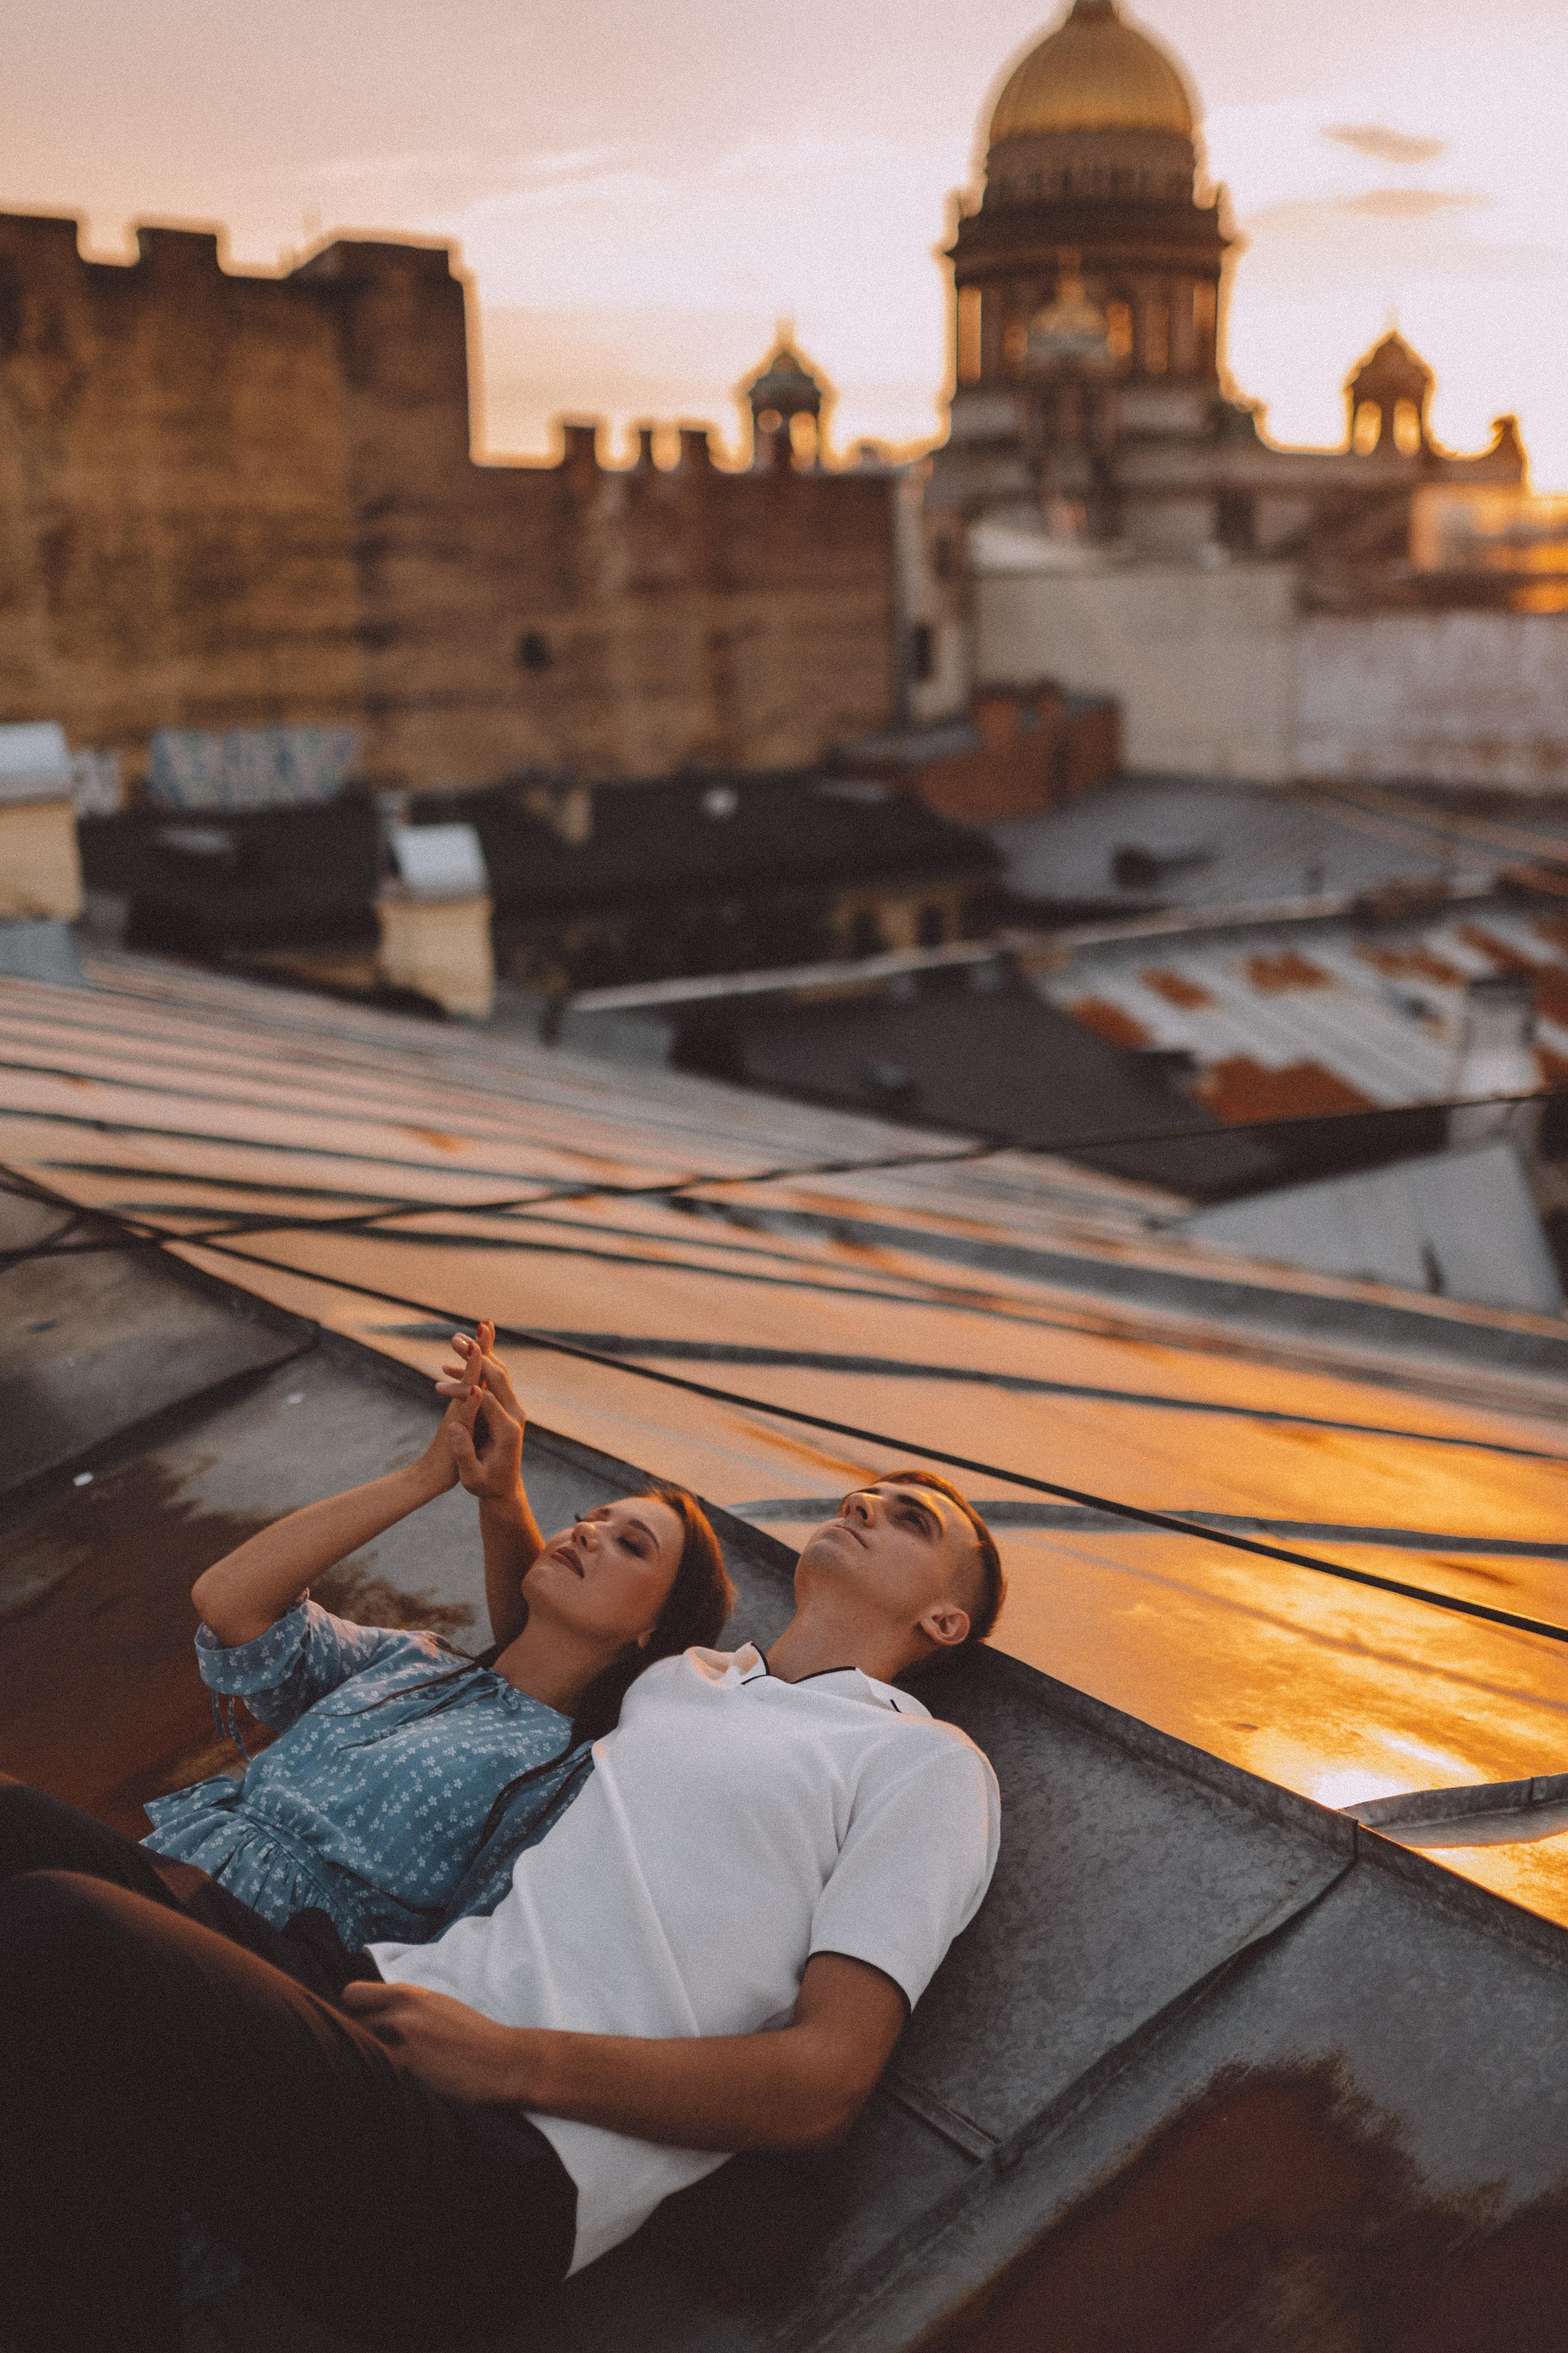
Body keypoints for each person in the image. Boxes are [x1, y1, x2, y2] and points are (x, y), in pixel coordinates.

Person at [0, 1448, 1003, 2353]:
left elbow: (826, 2080)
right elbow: (546, 1638)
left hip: (501, 2160)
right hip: (367, 1993)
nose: (865, 1506)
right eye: (864, 1493)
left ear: (944, 1620)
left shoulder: (923, 1762)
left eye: (910, 1520)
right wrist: (495, 1485)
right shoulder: (686, 1679)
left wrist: (516, 2058)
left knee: (62, 1929)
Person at [0, 1320, 733, 1989]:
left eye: (631, 1544)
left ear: (655, 1630)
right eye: (589, 1517)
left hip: (271, 1963)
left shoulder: (576, 1775)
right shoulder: (416, 1661)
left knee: (55, 1910)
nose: (587, 1532)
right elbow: (231, 1600)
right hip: (172, 1877)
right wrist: (432, 1474)